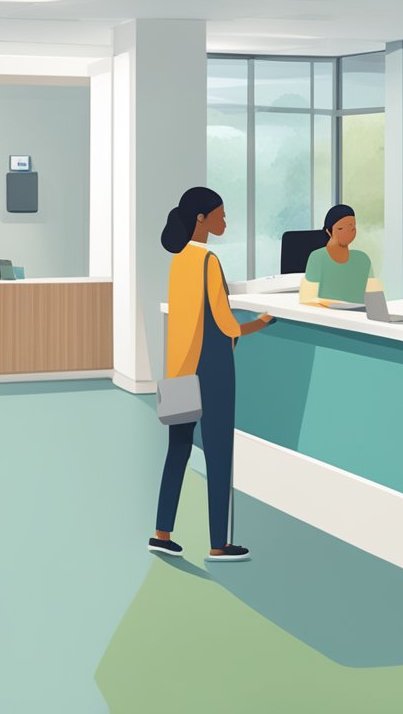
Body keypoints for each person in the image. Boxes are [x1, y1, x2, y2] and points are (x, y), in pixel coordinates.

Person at [150, 187, 273, 561]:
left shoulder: (179, 259)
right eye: (220, 215)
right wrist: (262, 323)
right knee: (219, 455)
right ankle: (219, 543)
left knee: (178, 450)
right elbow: (226, 324)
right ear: (201, 219)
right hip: (213, 365)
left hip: (180, 366)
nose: (225, 221)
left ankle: (162, 532)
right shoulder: (208, 260)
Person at [298, 203, 382, 306]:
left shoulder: (363, 259)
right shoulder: (318, 258)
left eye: (352, 228)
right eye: (341, 229)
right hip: (327, 318)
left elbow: (376, 300)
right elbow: (307, 301)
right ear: (328, 231)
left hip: (358, 318)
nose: (347, 232)